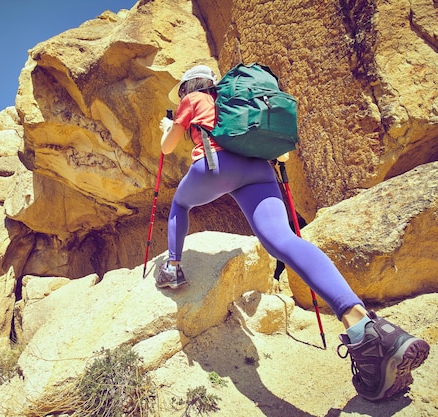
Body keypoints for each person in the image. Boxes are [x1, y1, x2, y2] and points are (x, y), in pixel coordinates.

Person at [156, 64, 430, 401]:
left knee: (179, 206)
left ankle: (172, 267)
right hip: (257, 168)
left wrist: (169, 127)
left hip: (215, 167)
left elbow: (168, 148)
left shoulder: (193, 98)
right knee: (284, 240)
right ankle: (365, 327)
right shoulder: (232, 102)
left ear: (187, 86)